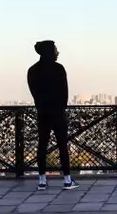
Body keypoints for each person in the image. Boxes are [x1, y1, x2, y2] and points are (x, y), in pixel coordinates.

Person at [27, 40, 79, 191]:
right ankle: (67, 180)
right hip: (57, 111)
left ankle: (42, 180)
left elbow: (34, 92)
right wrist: (61, 107)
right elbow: (65, 91)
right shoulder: (58, 68)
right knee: (62, 145)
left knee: (42, 145)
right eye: (56, 50)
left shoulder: (32, 70)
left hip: (43, 112)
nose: (57, 52)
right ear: (50, 51)